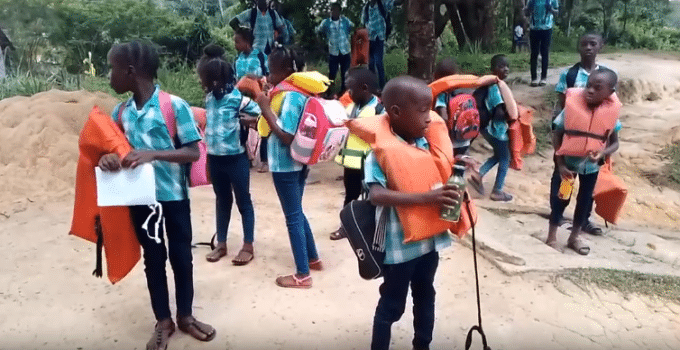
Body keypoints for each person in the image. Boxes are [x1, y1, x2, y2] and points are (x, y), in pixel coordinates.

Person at [99, 41, 215, 350]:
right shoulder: (120, 112)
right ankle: (163, 320)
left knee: (181, 257)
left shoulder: (173, 105)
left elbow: (192, 152)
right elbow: (112, 150)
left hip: (173, 197)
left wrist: (155, 154)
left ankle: (186, 316)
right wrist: (107, 159)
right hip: (142, 201)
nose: (109, 75)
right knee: (153, 258)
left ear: (131, 71)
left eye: (113, 68)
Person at [364, 76, 458, 350]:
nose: (429, 119)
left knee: (425, 294)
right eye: (421, 111)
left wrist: (460, 164)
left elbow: (437, 170)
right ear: (395, 113)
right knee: (392, 305)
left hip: (428, 245)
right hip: (400, 248)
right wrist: (427, 198)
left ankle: (422, 345)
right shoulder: (380, 153)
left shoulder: (425, 144)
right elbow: (376, 195)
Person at [254, 47, 322, 288]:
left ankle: (302, 275)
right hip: (297, 162)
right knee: (297, 211)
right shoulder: (295, 92)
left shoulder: (292, 96)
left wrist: (264, 107)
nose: (268, 75)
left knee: (292, 216)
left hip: (286, 164)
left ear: (284, 70)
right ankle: (313, 258)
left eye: (271, 71)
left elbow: (285, 135)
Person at [198, 44, 261, 266]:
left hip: (236, 159)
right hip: (216, 160)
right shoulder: (209, 99)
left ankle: (248, 245)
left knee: (244, 201)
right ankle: (221, 244)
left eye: (204, 79)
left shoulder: (238, 100)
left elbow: (262, 116)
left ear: (215, 81)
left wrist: (249, 122)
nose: (201, 83)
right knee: (222, 200)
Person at [547, 68, 621, 255]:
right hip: (567, 167)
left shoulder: (611, 114)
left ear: (610, 93)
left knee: (585, 202)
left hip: (591, 168)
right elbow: (557, 135)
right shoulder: (572, 108)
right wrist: (561, 164)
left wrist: (602, 152)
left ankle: (574, 237)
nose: (590, 91)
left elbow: (615, 144)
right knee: (561, 198)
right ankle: (552, 236)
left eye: (597, 88)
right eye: (588, 86)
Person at [554, 32, 610, 236]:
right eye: (584, 43)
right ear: (579, 47)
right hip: (571, 139)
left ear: (600, 47)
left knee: (588, 188)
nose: (588, 47)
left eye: (593, 43)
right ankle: (558, 215)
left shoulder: (606, 75)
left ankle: (585, 219)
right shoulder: (568, 75)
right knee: (565, 181)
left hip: (595, 141)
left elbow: (609, 106)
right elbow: (563, 105)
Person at [330, 67, 382, 241]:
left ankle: (371, 229)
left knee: (371, 198)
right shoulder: (351, 106)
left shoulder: (379, 109)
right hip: (351, 162)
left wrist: (357, 127)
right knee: (350, 196)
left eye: (351, 89)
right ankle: (345, 227)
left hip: (369, 163)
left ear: (365, 88)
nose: (349, 93)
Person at [469, 55, 513, 202]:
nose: (506, 69)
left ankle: (479, 174)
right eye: (501, 66)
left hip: (487, 128)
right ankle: (497, 190)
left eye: (507, 66)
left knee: (499, 155)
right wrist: (511, 115)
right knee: (505, 158)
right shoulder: (495, 87)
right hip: (496, 130)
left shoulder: (492, 85)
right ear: (493, 69)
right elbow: (499, 112)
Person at [233, 27, 271, 173]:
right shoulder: (237, 58)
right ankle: (246, 159)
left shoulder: (261, 56)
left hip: (258, 95)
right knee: (241, 125)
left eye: (238, 42)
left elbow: (268, 75)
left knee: (263, 125)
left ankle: (264, 160)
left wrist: (255, 78)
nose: (236, 45)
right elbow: (235, 78)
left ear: (247, 42)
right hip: (242, 96)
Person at [432, 57, 473, 156]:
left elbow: (444, 116)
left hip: (451, 140)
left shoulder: (442, 95)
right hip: (465, 138)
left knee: (450, 166)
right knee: (461, 165)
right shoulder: (465, 92)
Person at [316, 2, 354, 94]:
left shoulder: (345, 21)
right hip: (333, 51)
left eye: (337, 10)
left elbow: (352, 28)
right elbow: (318, 31)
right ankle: (328, 91)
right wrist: (322, 43)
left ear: (340, 11)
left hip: (345, 51)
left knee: (345, 73)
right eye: (333, 10)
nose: (334, 12)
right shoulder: (326, 23)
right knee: (332, 73)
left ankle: (343, 92)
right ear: (331, 11)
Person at [524, 0, 559, 87]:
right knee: (534, 53)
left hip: (547, 29)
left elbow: (557, 13)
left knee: (545, 53)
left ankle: (543, 78)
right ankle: (534, 78)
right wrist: (528, 9)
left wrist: (551, 9)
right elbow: (526, 13)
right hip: (534, 29)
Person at [362, 0, 394, 89]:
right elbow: (363, 22)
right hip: (370, 38)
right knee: (371, 64)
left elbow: (395, 3)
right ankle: (372, 87)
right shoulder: (366, 7)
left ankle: (382, 86)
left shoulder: (382, 3)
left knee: (379, 62)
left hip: (379, 37)